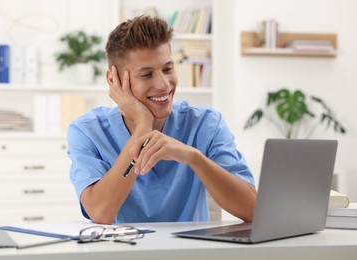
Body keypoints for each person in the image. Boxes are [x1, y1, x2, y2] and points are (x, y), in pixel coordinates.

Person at [67, 15, 257, 225]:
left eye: (168, 69)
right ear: (114, 80)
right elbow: (101, 213)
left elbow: (252, 210)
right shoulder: (87, 131)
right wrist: (143, 127)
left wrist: (193, 157)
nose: (164, 85)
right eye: (147, 75)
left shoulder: (206, 124)